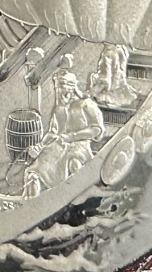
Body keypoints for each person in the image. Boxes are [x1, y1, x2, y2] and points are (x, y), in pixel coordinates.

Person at [23, 63, 105, 193]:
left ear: (72, 89)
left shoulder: (86, 104)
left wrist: (71, 137)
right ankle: (30, 199)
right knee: (34, 172)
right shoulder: (58, 109)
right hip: (58, 147)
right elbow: (52, 132)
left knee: (74, 164)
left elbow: (96, 130)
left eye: (63, 90)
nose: (59, 94)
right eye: (57, 90)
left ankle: (78, 196)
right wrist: (39, 146)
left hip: (79, 146)